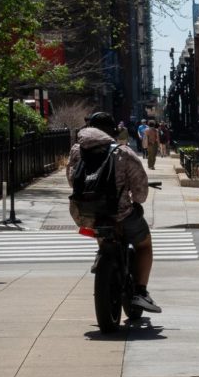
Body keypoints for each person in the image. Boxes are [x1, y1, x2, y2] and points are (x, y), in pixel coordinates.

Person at [68, 112, 161, 313]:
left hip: (85, 214)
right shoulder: (123, 152)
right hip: (120, 213)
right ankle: (141, 292)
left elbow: (72, 180)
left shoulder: (77, 151)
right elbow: (141, 192)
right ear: (113, 131)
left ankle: (102, 253)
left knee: (99, 230)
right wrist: (135, 199)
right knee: (144, 244)